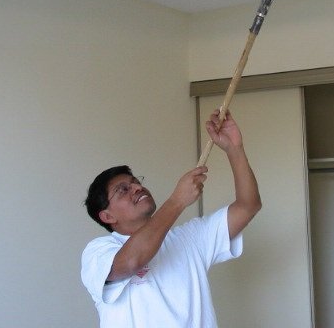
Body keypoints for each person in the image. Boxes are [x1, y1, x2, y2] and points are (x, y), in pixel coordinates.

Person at [81, 109, 261, 328]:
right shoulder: (98, 252)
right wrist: (177, 201)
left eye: (136, 182)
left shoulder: (190, 238)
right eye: (123, 190)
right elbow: (130, 262)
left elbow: (248, 206)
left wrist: (235, 149)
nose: (137, 187)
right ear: (107, 216)